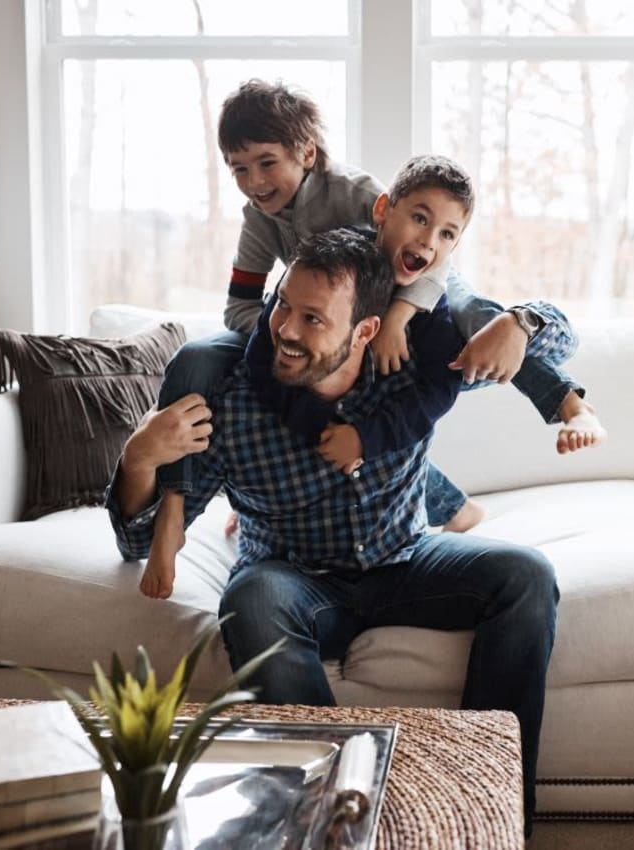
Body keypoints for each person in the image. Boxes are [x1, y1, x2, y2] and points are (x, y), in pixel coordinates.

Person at [108, 229, 559, 833]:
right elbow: (139, 544)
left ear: (365, 330)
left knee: (527, 575)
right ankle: (337, 822)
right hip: (295, 579)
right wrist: (138, 457)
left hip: (406, 559)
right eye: (283, 307)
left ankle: (489, 807)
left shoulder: (411, 367)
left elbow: (559, 344)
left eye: (313, 319)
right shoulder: (233, 400)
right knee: (252, 597)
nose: (287, 330)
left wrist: (521, 322)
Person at [140, 79, 599, 599]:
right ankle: (176, 504)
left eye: (267, 164)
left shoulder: (357, 197)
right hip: (323, 330)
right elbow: (239, 306)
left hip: (414, 298)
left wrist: (398, 319)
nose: (254, 181)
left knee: (479, 322)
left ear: (306, 152)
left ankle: (568, 403)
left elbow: (417, 251)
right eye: (239, 169)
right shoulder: (259, 220)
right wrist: (291, 331)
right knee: (197, 357)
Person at [244, 155, 607, 482]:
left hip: (395, 409)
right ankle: (458, 512)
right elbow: (261, 352)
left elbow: (441, 383)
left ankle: (570, 404)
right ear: (383, 209)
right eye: (419, 219)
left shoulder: (431, 301)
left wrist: (364, 438)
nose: (429, 240)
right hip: (344, 442)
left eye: (446, 234)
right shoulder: (334, 265)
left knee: (486, 325)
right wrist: (322, 429)